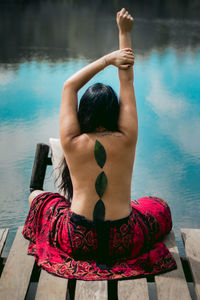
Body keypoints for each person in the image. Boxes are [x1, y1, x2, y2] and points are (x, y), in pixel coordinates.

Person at [23, 8, 177, 280]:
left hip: (76, 239)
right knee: (157, 206)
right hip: (124, 240)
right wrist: (124, 32)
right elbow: (127, 78)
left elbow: (69, 86)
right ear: (113, 112)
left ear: (84, 113)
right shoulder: (127, 138)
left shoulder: (72, 140)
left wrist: (107, 59)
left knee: (46, 203)